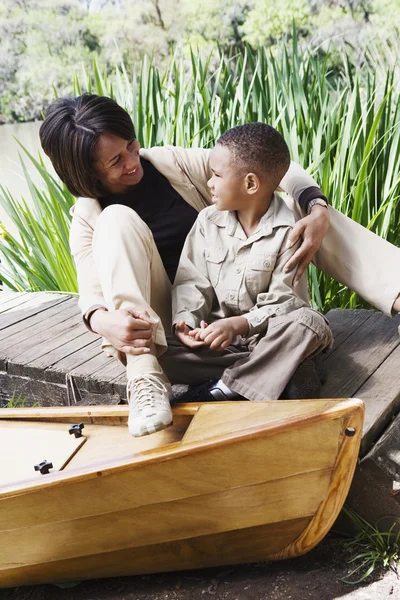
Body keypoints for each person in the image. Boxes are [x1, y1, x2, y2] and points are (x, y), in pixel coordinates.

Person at [39, 94, 400, 436]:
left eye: (131, 145)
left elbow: (270, 167)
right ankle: (149, 382)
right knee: (117, 218)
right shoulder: (90, 219)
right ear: (86, 172)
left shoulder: (169, 164)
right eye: (115, 161)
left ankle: (392, 291)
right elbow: (91, 298)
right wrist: (105, 322)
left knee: (303, 213)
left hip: (245, 314)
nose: (132, 161)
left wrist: (317, 207)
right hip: (178, 334)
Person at [159, 123, 333, 401]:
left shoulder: (291, 228)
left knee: (307, 323)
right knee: (154, 349)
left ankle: (222, 390)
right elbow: (192, 282)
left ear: (250, 183)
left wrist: (236, 325)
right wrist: (187, 323)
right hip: (225, 347)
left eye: (216, 175)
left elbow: (282, 302)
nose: (209, 183)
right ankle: (283, 371)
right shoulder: (207, 221)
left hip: (271, 336)